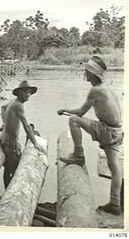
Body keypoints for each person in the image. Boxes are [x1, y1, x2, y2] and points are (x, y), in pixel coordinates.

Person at [57, 55, 123, 215]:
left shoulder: (96, 90)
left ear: (93, 74)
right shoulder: (107, 88)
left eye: (86, 71)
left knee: (73, 120)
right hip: (117, 132)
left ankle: (78, 154)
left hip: (107, 131)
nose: (84, 73)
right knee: (115, 167)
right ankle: (115, 204)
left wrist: (64, 109)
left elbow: (80, 112)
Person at [0, 80, 46, 188]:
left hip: (4, 139)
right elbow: (26, 125)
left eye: (29, 92)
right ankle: (10, 192)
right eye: (25, 92)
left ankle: (7, 192)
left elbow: (3, 108)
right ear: (19, 93)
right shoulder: (18, 105)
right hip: (10, 143)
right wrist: (35, 143)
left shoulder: (13, 102)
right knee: (15, 170)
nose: (28, 94)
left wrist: (4, 123)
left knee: (8, 168)